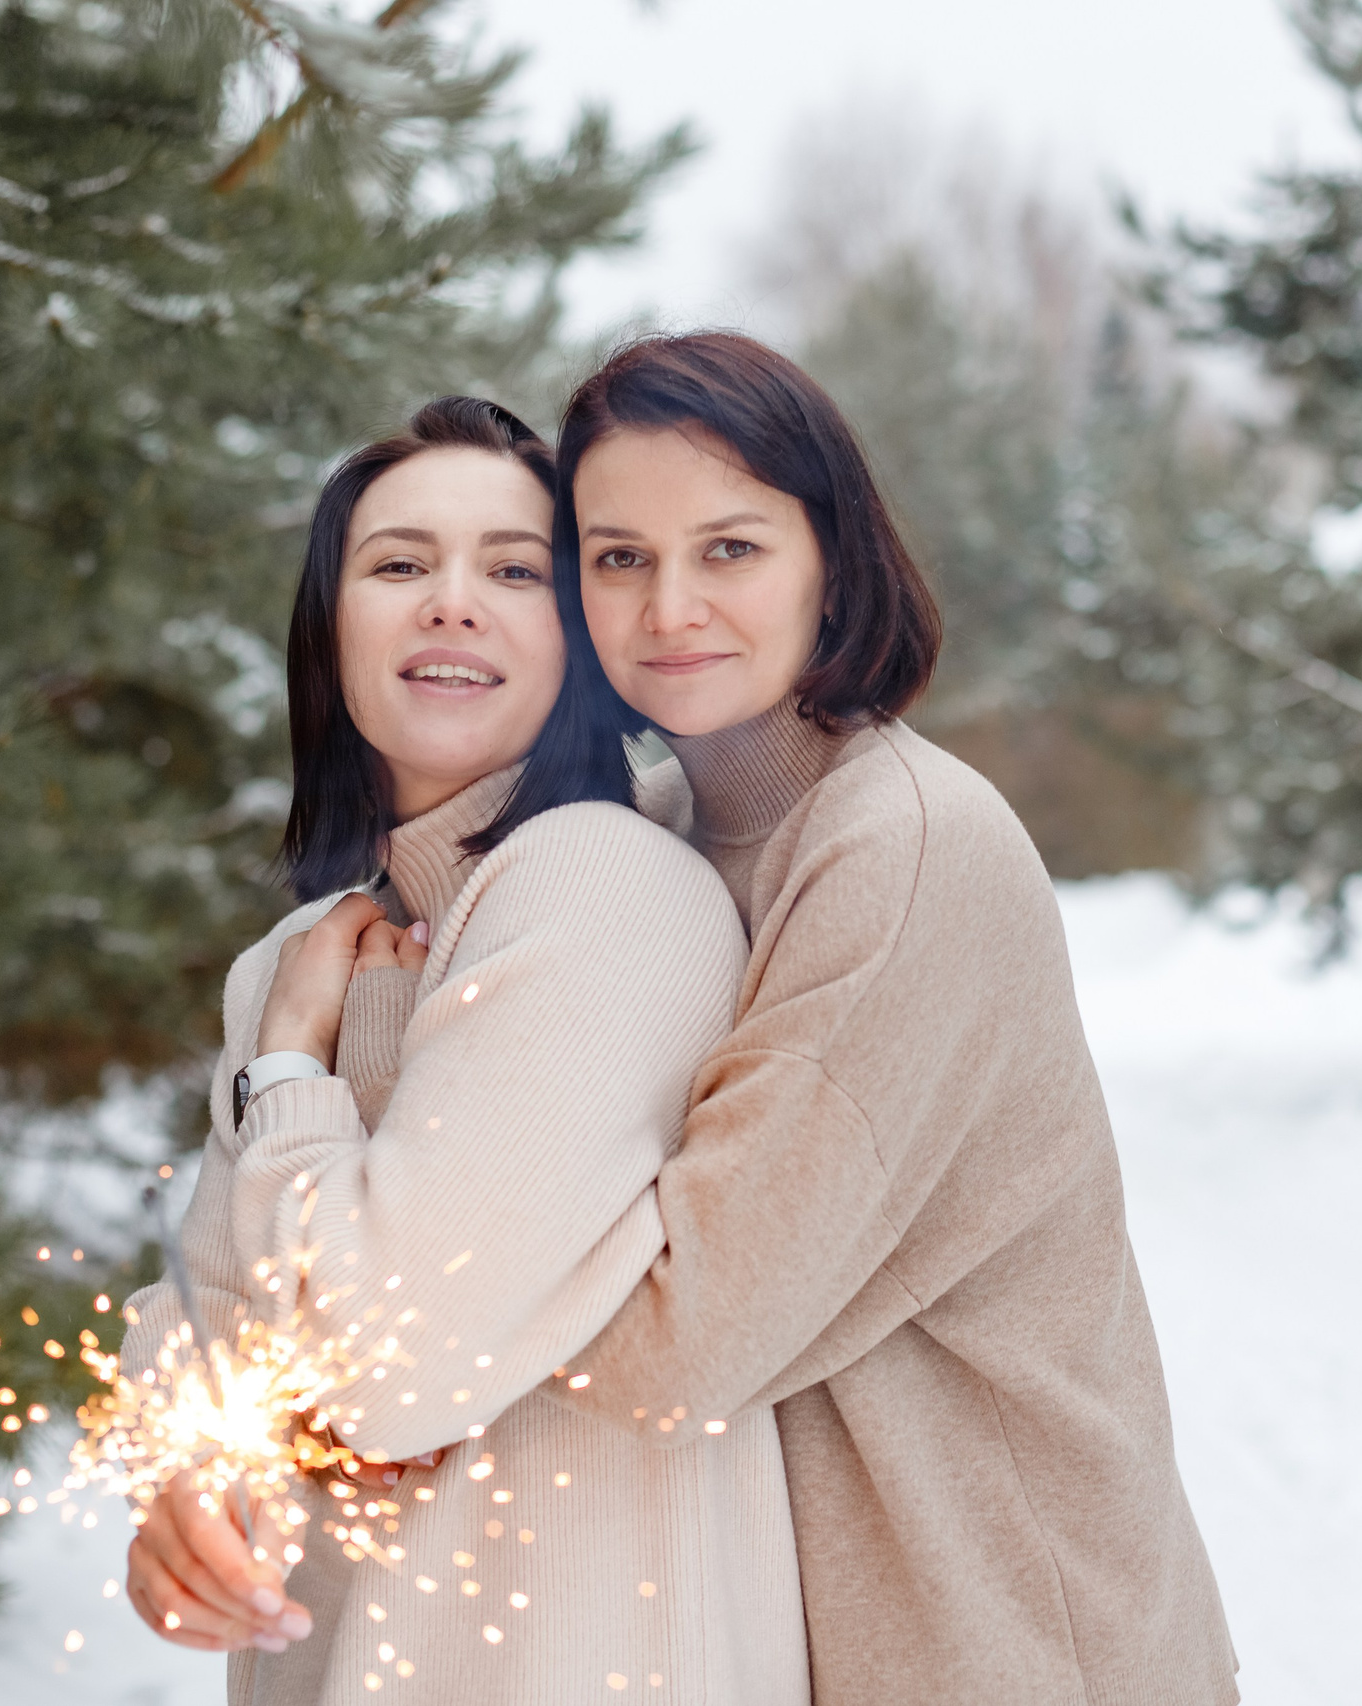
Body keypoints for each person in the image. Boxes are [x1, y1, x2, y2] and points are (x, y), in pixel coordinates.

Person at [538, 333, 1240, 1703]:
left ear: (832, 562)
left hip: (1009, 1642)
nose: (670, 601)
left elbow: (684, 1335)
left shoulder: (904, 850)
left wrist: (370, 1355)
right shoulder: (672, 839)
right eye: (618, 556)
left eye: (729, 548)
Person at [118, 397, 808, 1705]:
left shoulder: (603, 886)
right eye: (396, 564)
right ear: (331, 634)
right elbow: (201, 1338)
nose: (450, 601)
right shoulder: (299, 962)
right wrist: (186, 1488)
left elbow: (381, 1363)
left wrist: (291, 1078)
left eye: (512, 568)